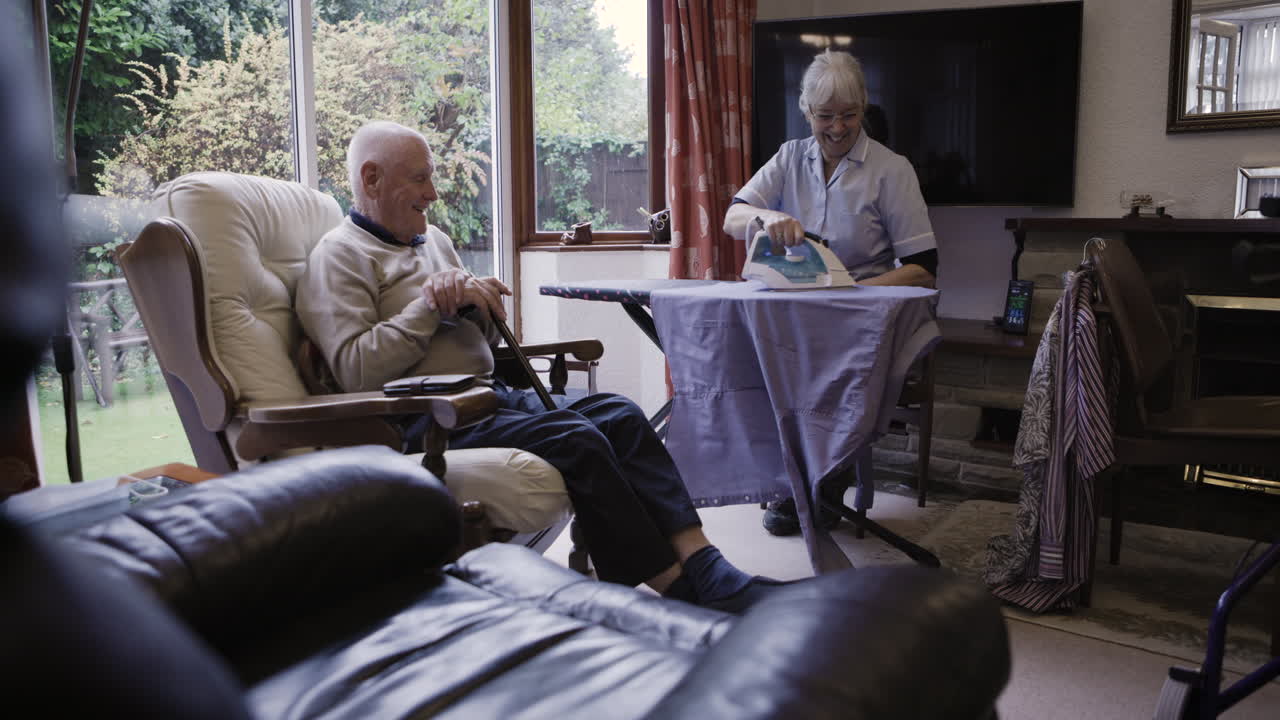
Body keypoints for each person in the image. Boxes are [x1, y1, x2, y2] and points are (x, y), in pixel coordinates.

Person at [297, 120, 785, 612]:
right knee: (577, 439)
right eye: (420, 178)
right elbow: (357, 372)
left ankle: (704, 563)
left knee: (621, 414)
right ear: (372, 179)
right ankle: (676, 590)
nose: (434, 192)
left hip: (486, 396)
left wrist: (476, 307)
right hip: (426, 419)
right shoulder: (339, 257)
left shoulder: (435, 241)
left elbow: (480, 338)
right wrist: (427, 307)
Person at [723, 49, 940, 537]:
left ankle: (824, 481)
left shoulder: (891, 170)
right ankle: (786, 476)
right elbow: (732, 216)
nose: (838, 128)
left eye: (849, 115)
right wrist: (766, 216)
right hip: (798, 309)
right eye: (825, 117)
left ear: (864, 110)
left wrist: (852, 290)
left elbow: (923, 269)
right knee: (755, 358)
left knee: (830, 366)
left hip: (862, 310)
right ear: (807, 113)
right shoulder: (788, 157)